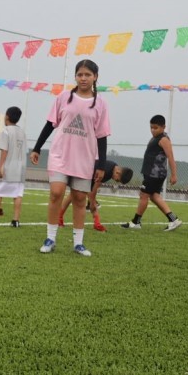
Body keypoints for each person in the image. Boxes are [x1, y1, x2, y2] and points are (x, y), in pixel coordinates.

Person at [30, 60, 110, 254]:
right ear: (75, 76)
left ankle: (78, 243)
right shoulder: (64, 97)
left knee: (80, 199)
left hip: (84, 159)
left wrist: (101, 164)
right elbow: (50, 124)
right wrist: (37, 147)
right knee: (56, 193)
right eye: (80, 74)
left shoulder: (100, 103)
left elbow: (101, 135)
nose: (83, 78)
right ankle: (50, 239)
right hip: (60, 154)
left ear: (95, 77)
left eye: (87, 75)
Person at [121, 115, 181, 231]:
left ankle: (136, 222)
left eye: (156, 128)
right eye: (151, 128)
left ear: (163, 127)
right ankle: (173, 219)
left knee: (144, 195)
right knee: (154, 196)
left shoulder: (164, 139)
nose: (153, 130)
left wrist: (174, 174)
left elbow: (171, 157)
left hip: (155, 174)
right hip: (150, 173)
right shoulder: (155, 138)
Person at [57, 161, 134, 231]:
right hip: (80, 169)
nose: (116, 181)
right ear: (118, 172)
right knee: (78, 196)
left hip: (84, 172)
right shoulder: (107, 171)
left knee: (74, 194)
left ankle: (59, 218)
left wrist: (92, 201)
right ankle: (96, 224)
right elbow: (93, 190)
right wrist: (92, 202)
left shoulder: (113, 167)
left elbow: (95, 186)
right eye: (118, 180)